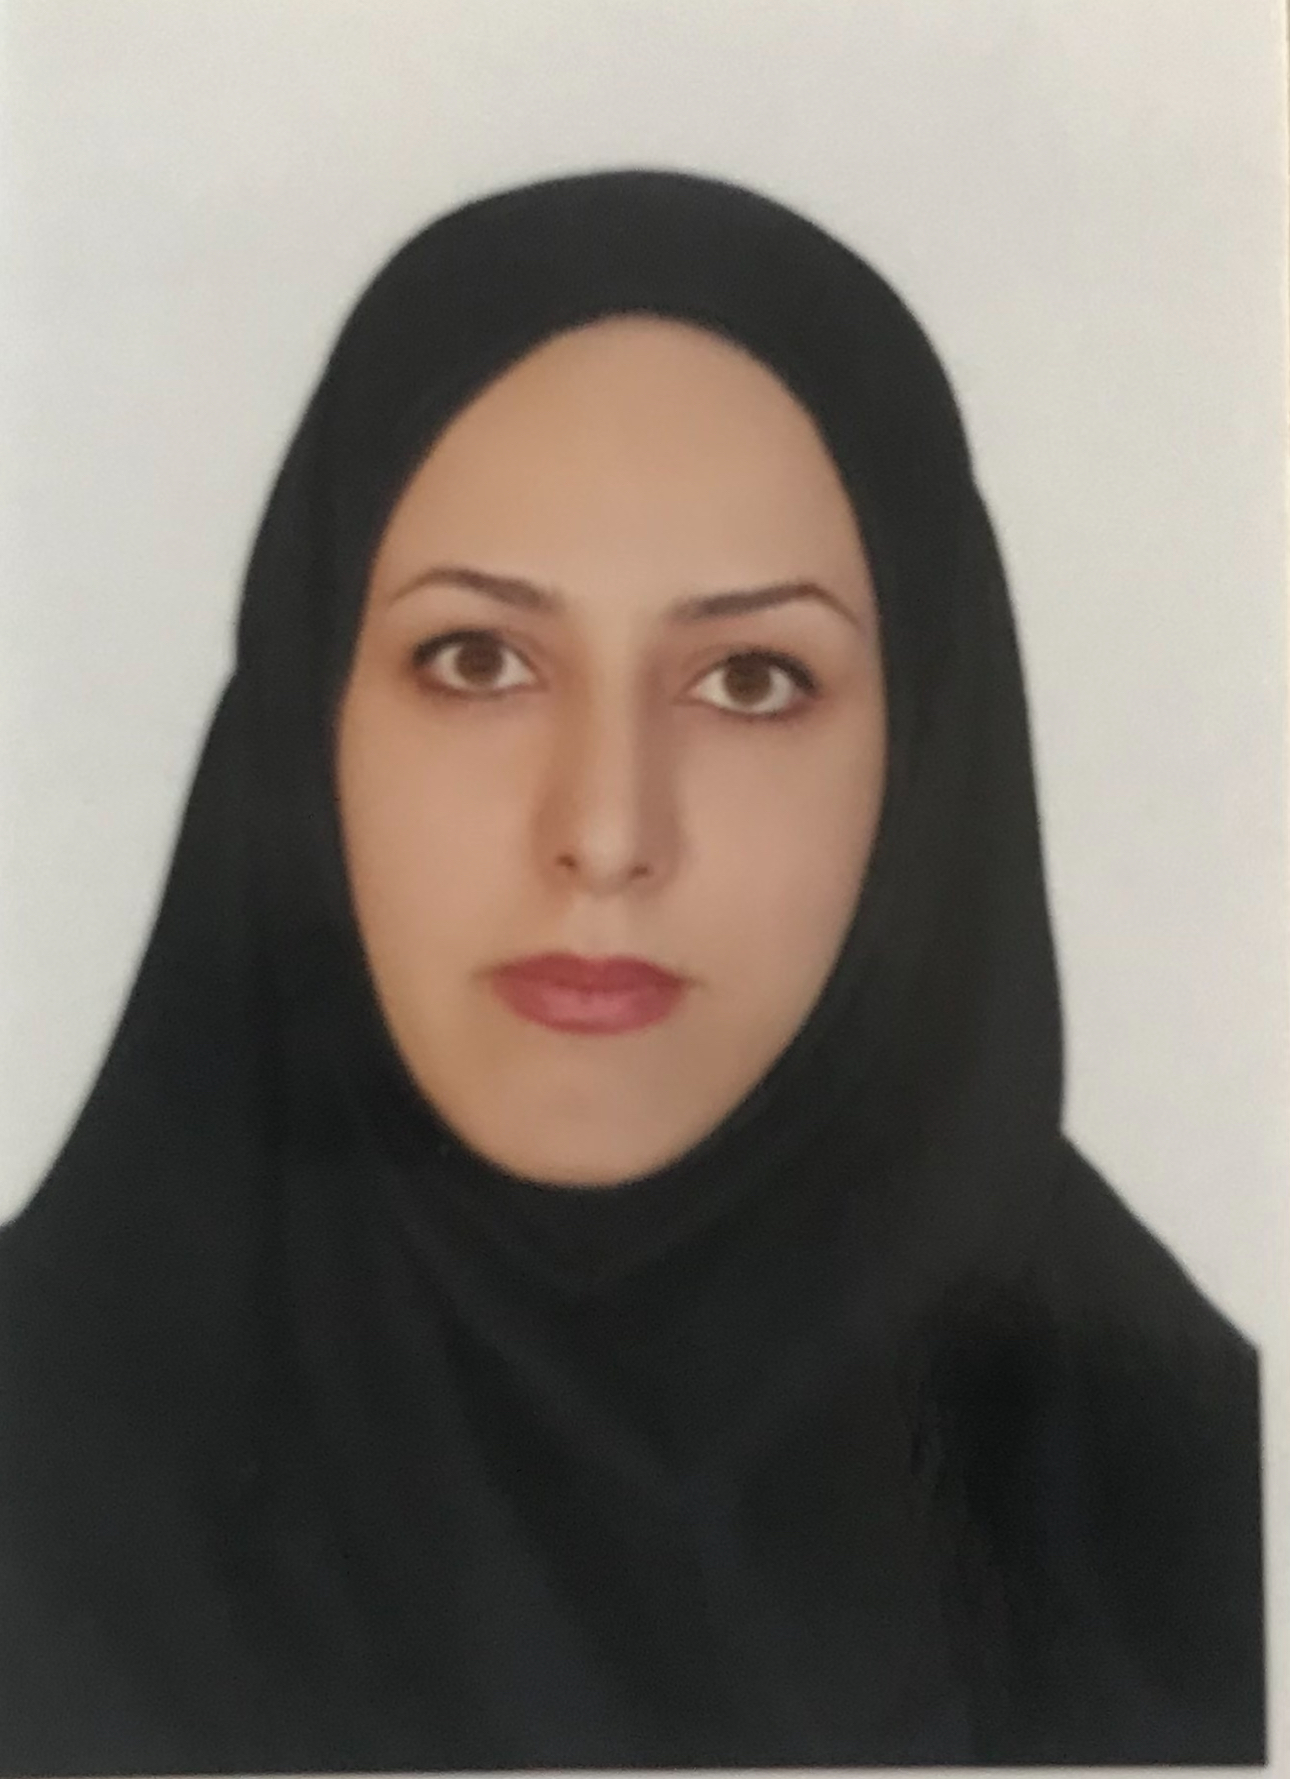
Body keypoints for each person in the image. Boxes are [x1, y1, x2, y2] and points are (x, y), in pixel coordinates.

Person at [0, 168, 1264, 1773]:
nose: (603, 834)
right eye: (477, 661)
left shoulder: (1196, 1513)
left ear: (926, 765)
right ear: (308, 730)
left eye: (750, 681)